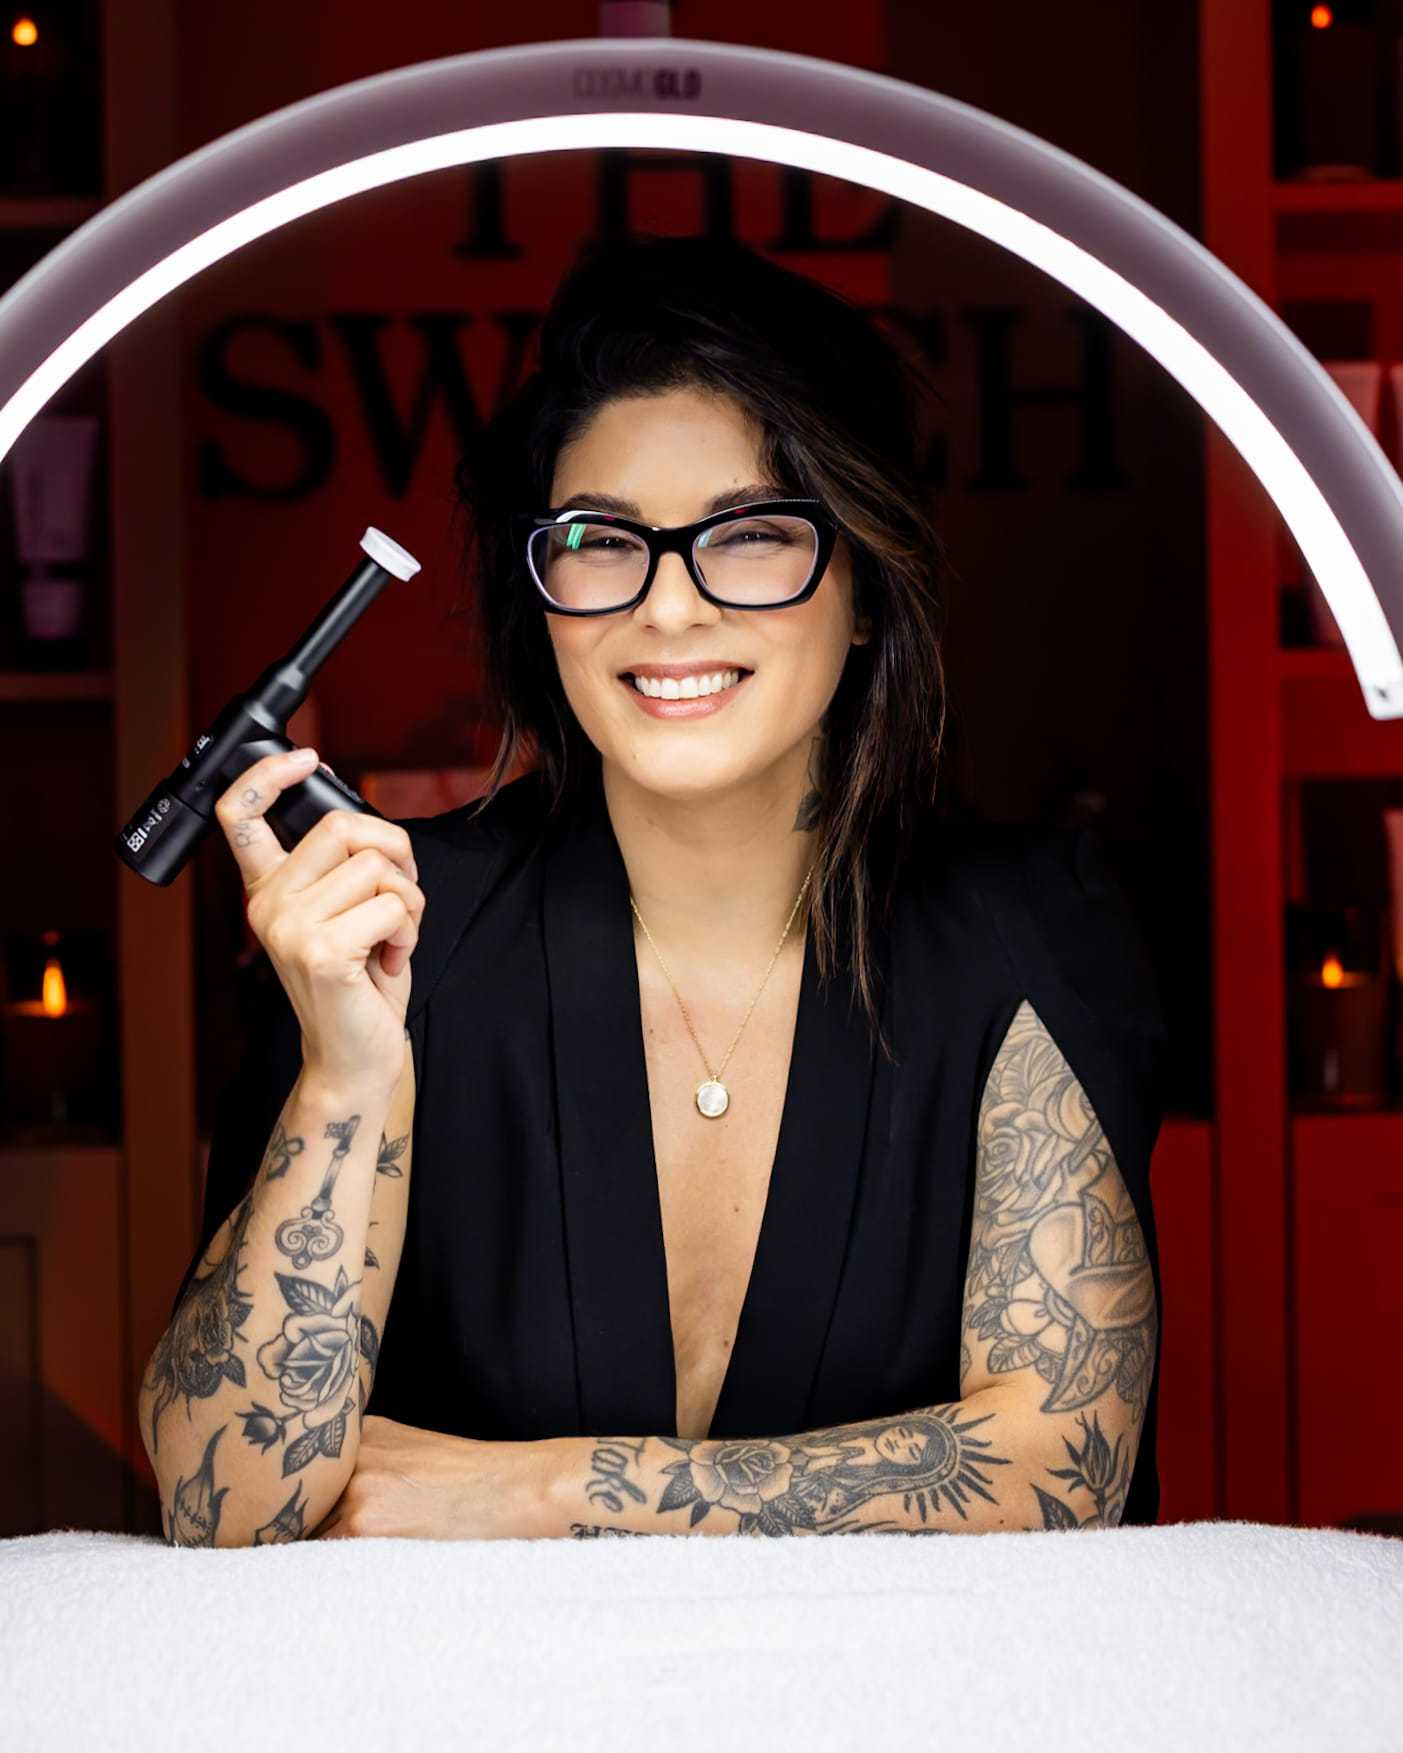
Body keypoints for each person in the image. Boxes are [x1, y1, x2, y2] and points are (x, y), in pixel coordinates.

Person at [139, 234, 1170, 1547]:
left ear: (862, 587)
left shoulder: (1028, 929)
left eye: (749, 535)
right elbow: (219, 1493)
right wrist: (344, 1077)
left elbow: (1056, 1465)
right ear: (544, 593)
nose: (670, 609)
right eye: (600, 539)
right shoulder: (396, 928)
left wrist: (542, 1487)